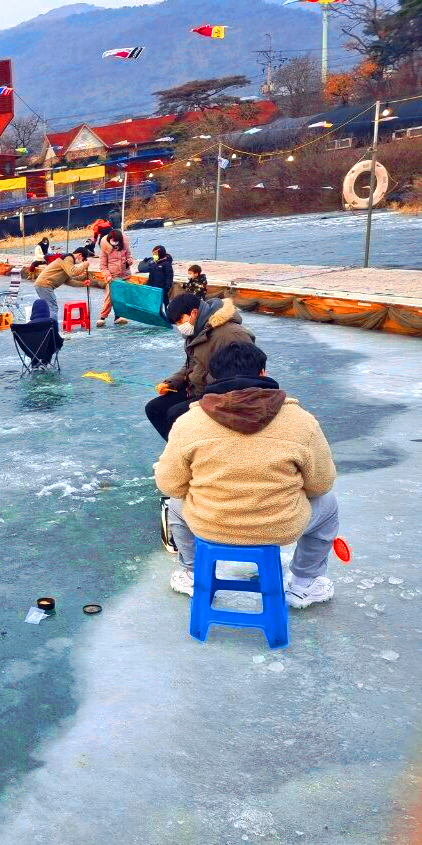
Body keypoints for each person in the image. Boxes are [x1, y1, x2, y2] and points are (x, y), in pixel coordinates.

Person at [154, 341, 339, 608]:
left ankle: (194, 574)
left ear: (212, 378)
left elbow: (170, 484)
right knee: (328, 505)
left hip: (210, 524)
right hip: (280, 526)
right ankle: (303, 584)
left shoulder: (188, 423)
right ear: (262, 373)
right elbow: (321, 483)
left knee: (175, 504)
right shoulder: (301, 420)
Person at [144, 293, 254, 442]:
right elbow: (191, 365)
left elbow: (247, 373)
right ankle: (178, 452)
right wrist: (171, 383)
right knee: (155, 408)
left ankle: (190, 451)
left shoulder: (230, 334)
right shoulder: (196, 332)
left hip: (222, 394)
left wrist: (210, 388)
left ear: (194, 313)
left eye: (179, 320)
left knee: (175, 413)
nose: (179, 326)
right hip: (198, 388)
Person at [31, 247, 91, 320]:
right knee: (53, 308)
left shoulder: (69, 262)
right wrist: (85, 265)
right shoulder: (68, 258)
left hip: (42, 285)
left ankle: (46, 324)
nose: (82, 262)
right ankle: (52, 327)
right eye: (83, 259)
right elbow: (73, 272)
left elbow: (68, 281)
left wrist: (83, 284)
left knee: (49, 307)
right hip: (45, 284)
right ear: (80, 254)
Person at [97, 229, 132, 327]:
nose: (115, 243)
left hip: (124, 274)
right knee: (110, 297)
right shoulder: (105, 248)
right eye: (113, 240)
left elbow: (129, 255)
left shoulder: (124, 244)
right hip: (112, 276)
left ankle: (118, 316)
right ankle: (102, 317)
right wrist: (107, 276)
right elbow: (103, 266)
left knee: (122, 296)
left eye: (116, 241)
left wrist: (129, 260)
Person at [137, 245, 175, 310]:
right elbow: (150, 274)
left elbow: (169, 275)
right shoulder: (153, 263)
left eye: (156, 254)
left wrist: (167, 287)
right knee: (153, 301)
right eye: (153, 254)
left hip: (163, 288)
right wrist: (148, 284)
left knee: (164, 301)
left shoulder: (166, 263)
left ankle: (167, 312)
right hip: (153, 286)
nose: (154, 255)